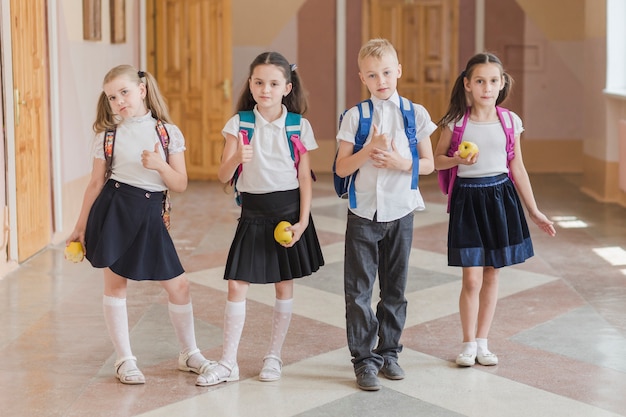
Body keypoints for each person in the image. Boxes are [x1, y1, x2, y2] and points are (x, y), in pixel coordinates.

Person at [66, 65, 213, 385]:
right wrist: (79, 226)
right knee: (116, 285)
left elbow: (181, 183)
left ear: (142, 90)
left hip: (150, 212)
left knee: (179, 285)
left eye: (124, 92)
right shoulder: (108, 135)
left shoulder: (167, 133)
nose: (119, 101)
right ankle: (124, 359)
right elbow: (95, 183)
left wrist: (159, 164)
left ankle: (189, 353)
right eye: (112, 97)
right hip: (114, 210)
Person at [195, 52, 324, 387]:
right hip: (252, 212)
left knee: (284, 283)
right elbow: (224, 175)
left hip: (288, 212)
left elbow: (305, 176)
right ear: (250, 84)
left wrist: (303, 221)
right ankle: (227, 362)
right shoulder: (238, 124)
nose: (265, 89)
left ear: (287, 87)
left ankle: (274, 356)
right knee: (237, 283)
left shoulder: (298, 124)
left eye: (273, 83)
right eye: (258, 82)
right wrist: (237, 155)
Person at [434, 52, 556, 367]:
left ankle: (483, 342)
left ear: (501, 84)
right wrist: (457, 160)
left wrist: (534, 210)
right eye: (479, 81)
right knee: (471, 278)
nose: (487, 87)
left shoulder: (510, 121)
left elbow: (517, 166)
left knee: (491, 274)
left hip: (501, 198)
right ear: (467, 85)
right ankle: (467, 342)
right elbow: (435, 160)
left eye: (493, 81)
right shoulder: (455, 122)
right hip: (469, 201)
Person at [335, 38, 436, 391]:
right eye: (373, 74)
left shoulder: (415, 113)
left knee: (395, 288)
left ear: (399, 71)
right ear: (362, 77)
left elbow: (428, 165)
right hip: (363, 212)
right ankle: (364, 360)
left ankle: (389, 352)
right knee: (359, 290)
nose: (382, 80)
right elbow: (342, 166)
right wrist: (370, 149)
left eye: (388, 72)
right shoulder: (355, 116)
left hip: (401, 210)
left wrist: (399, 162)